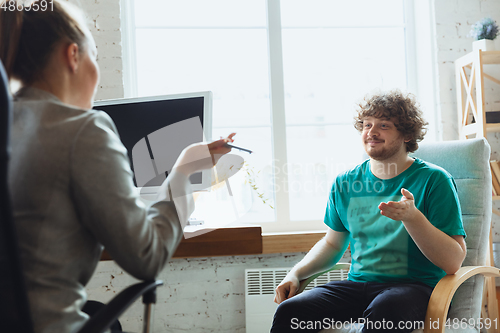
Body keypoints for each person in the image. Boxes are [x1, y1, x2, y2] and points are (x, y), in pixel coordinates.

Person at [0, 1, 235, 332]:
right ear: (73, 56)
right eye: (94, 56)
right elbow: (147, 257)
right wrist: (181, 172)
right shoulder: (84, 129)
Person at [271, 90, 466, 333]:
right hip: (358, 287)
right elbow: (333, 245)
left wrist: (413, 218)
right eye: (366, 124)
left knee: (385, 309)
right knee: (290, 312)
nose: (371, 132)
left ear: (406, 134)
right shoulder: (345, 182)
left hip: (414, 289)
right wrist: (295, 273)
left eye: (383, 125)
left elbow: (453, 261)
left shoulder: (435, 180)